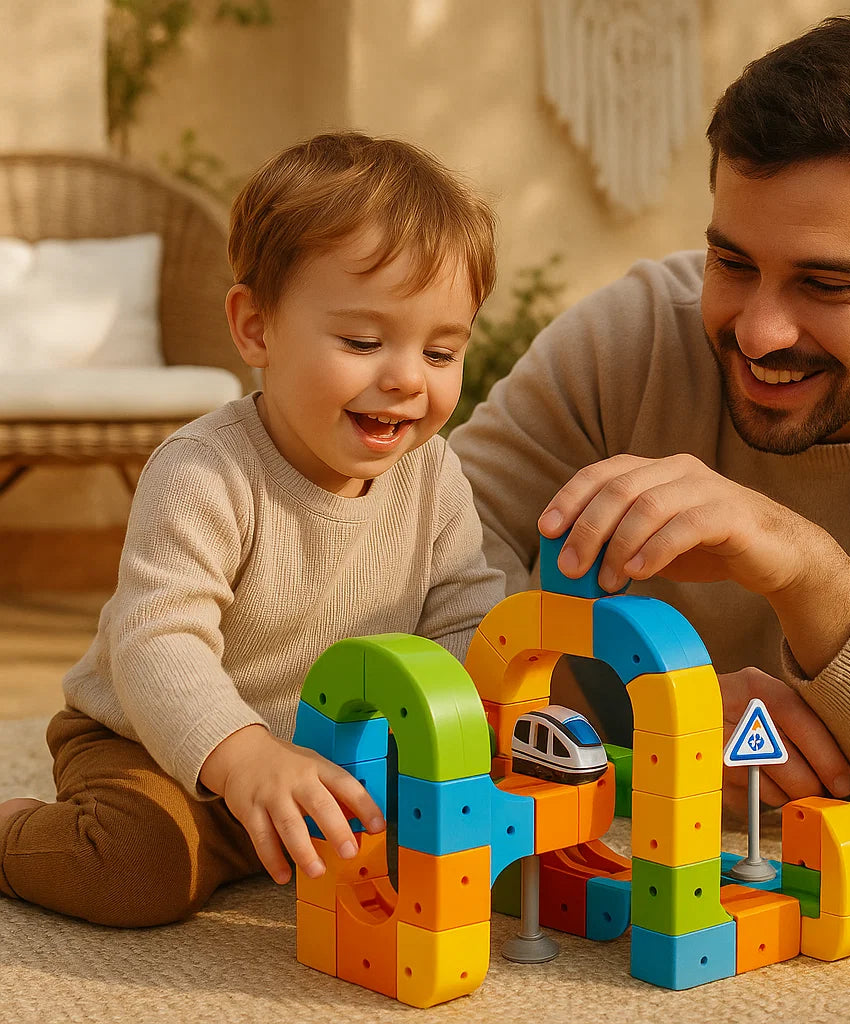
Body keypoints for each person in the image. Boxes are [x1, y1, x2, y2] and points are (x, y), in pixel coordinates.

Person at [450, 16, 850, 844]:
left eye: (825, 284)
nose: (758, 333)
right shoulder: (631, 339)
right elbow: (419, 552)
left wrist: (806, 570)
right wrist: (646, 727)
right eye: (733, 263)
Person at [0, 132, 506, 926]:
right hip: (161, 743)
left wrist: (487, 718)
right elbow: (157, 642)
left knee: (481, 835)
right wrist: (243, 757)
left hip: (335, 763)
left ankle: (276, 834)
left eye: (441, 352)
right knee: (137, 871)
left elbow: (465, 620)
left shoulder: (433, 474)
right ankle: (14, 830)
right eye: (364, 342)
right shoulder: (205, 470)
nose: (409, 377)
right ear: (256, 328)